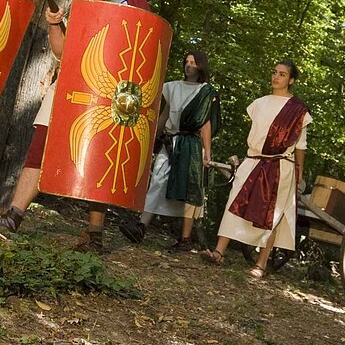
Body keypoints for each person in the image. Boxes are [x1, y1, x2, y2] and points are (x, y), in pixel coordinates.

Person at [0, 0, 150, 252]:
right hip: (69, 85)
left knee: (99, 156)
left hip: (106, 93)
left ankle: (94, 236)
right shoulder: (83, 1)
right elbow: (62, 53)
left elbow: (139, 54)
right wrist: (55, 25)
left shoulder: (131, 3)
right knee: (41, 145)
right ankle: (13, 217)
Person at [201, 60, 311, 278]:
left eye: (282, 74)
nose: (276, 77)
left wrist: (299, 172)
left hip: (281, 166)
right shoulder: (259, 103)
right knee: (235, 203)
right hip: (253, 161)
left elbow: (300, 145)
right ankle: (219, 252)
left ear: (291, 80)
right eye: (274, 72)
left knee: (274, 214)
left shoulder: (298, 111)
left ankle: (260, 264)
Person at [119, 50, 220, 251]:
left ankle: (185, 239)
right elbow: (164, 116)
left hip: (191, 144)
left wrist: (207, 152)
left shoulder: (206, 91)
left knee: (190, 190)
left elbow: (206, 124)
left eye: (193, 62)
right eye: (186, 62)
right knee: (157, 180)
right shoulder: (172, 87)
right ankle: (141, 226)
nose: (188, 65)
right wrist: (152, 139)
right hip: (170, 141)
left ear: (201, 66)